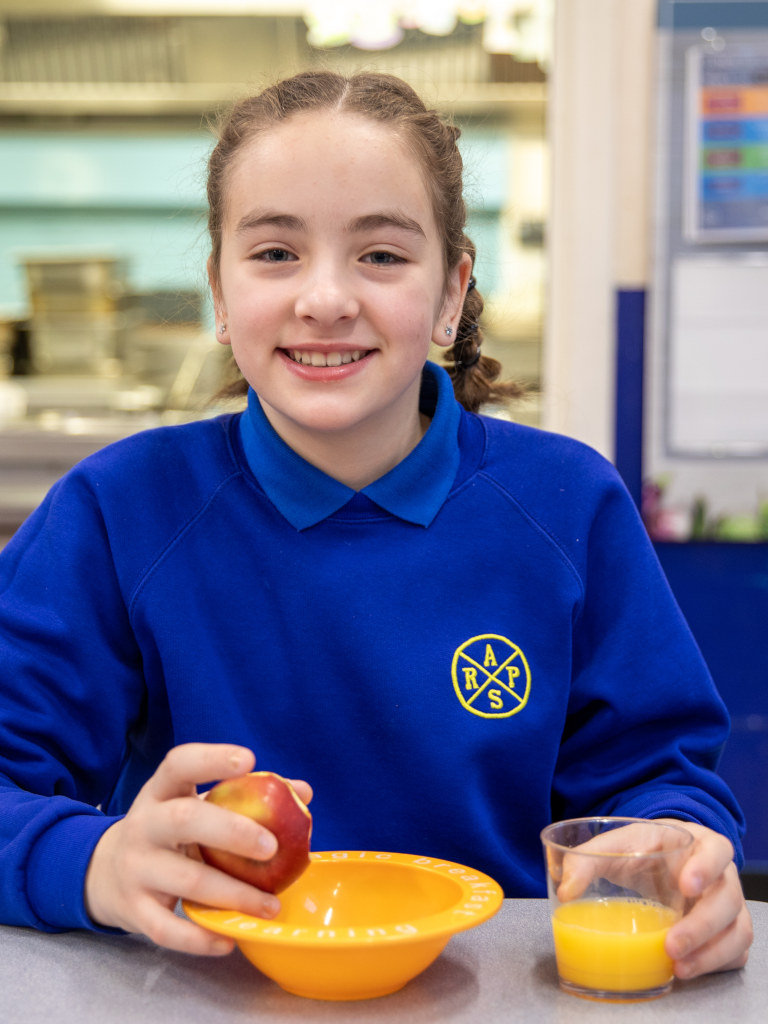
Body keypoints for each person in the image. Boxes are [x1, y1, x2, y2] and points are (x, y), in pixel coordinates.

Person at [0, 70, 752, 979]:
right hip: (203, 990)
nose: (325, 298)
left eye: (382, 256)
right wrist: (94, 862)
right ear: (218, 294)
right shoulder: (118, 509)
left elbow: (658, 781)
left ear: (450, 293)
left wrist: (676, 854)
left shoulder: (570, 505)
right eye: (275, 253)